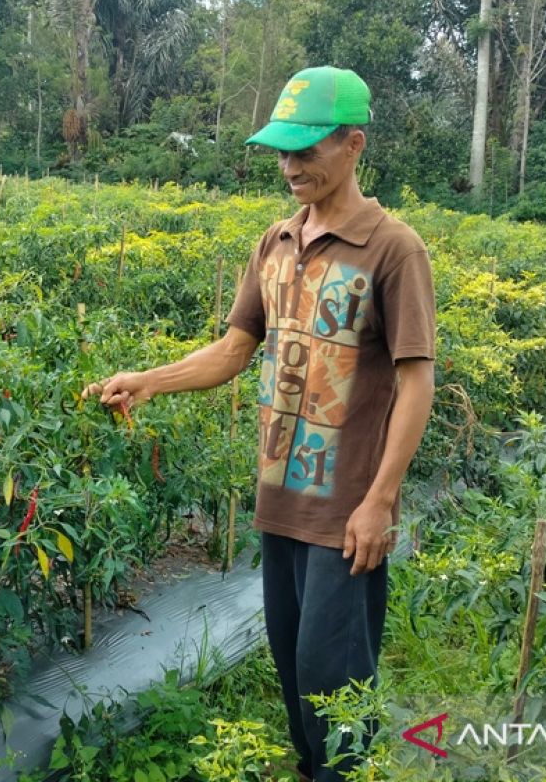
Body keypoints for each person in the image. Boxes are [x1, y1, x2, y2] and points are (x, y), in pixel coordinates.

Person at [80, 66, 436, 781]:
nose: (290, 166)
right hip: (279, 501)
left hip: (346, 513)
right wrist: (148, 381)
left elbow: (415, 378)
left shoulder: (394, 248)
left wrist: (381, 500)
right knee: (293, 668)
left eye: (306, 150)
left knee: (334, 676)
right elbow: (236, 349)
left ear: (354, 144)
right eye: (282, 151)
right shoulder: (274, 244)